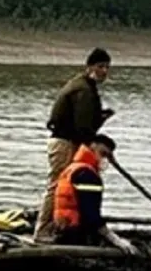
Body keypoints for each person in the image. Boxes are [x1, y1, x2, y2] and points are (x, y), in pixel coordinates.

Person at [33, 48, 115, 241]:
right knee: (57, 185)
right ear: (89, 67)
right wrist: (94, 149)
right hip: (64, 143)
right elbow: (83, 128)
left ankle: (59, 226)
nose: (104, 71)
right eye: (100, 66)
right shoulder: (83, 90)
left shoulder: (86, 87)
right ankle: (43, 230)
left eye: (107, 67)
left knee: (66, 187)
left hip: (67, 140)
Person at [50, 134, 136, 255]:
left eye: (107, 156)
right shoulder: (87, 175)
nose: (103, 160)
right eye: (103, 154)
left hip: (63, 229)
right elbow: (90, 213)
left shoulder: (73, 168)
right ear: (92, 146)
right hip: (77, 234)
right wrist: (114, 239)